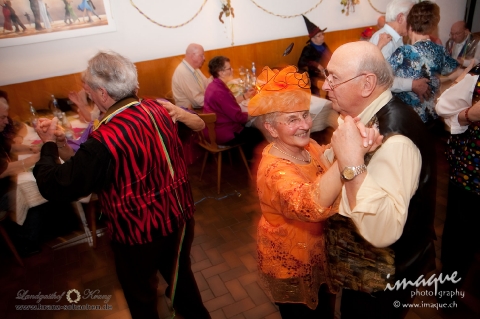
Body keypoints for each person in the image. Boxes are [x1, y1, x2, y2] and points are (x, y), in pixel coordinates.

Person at [33, 51, 211, 319]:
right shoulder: (159, 109)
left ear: (103, 93)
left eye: (91, 91)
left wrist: (47, 144)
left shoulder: (105, 138)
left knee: (141, 298)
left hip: (138, 233)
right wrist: (60, 143)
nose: (90, 95)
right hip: (179, 218)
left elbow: (57, 185)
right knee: (182, 284)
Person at [248, 65, 382, 319]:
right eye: (292, 119)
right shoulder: (274, 170)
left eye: (305, 115)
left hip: (318, 250)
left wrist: (355, 140)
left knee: (325, 310)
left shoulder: (306, 146)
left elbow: (326, 158)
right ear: (271, 128)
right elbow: (310, 204)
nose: (305, 125)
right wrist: (347, 154)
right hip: (292, 263)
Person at [321, 41, 437, 319]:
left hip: (382, 281)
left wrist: (350, 163)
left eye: (333, 77)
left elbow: (381, 230)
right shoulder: (368, 116)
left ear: (366, 84)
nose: (325, 86)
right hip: (365, 271)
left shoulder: (394, 139)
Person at [435, 62, 480, 301]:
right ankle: (446, 292)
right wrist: (469, 114)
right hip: (471, 176)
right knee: (459, 238)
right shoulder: (477, 74)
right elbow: (443, 106)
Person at [387, 1, 462, 127]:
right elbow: (458, 72)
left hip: (408, 120)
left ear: (410, 26)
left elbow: (383, 80)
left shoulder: (403, 52)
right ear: (432, 27)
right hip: (432, 118)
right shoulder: (439, 51)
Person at [369, 0, 431, 101]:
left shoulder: (396, 38)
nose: (414, 23)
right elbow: (383, 79)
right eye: (412, 18)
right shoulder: (386, 39)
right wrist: (413, 84)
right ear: (400, 18)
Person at [203, 55, 263, 160]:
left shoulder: (213, 85)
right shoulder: (220, 92)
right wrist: (257, 112)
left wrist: (245, 96)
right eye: (229, 68)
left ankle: (245, 156)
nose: (232, 70)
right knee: (258, 132)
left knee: (252, 126)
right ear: (220, 72)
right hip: (223, 133)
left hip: (212, 129)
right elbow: (239, 117)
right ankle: (252, 161)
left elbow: (228, 103)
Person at [297, 15, 331, 96]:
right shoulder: (308, 49)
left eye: (322, 34)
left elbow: (331, 56)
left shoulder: (324, 45)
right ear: (313, 39)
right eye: (319, 36)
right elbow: (301, 62)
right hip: (314, 75)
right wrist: (316, 65)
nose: (322, 37)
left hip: (327, 73)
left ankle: (329, 100)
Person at [172, 43, 211, 109]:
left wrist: (218, 77)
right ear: (193, 56)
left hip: (198, 108)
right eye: (201, 56)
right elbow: (197, 101)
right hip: (191, 113)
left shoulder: (194, 68)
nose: (204, 58)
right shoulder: (183, 72)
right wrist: (216, 99)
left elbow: (206, 83)